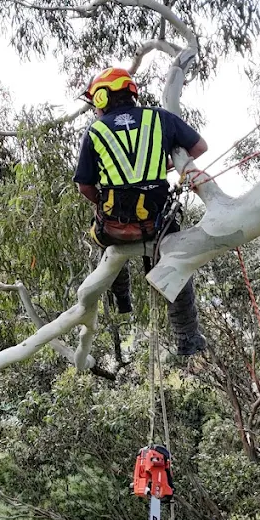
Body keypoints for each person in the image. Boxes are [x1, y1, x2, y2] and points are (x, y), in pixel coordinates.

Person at [73, 67, 208, 357]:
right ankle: (187, 337)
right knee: (177, 270)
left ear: (101, 97)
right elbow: (199, 147)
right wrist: (167, 164)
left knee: (104, 240)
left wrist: (103, 203)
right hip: (158, 225)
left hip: (116, 228)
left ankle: (122, 299)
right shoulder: (160, 117)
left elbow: (84, 186)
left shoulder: (95, 132)